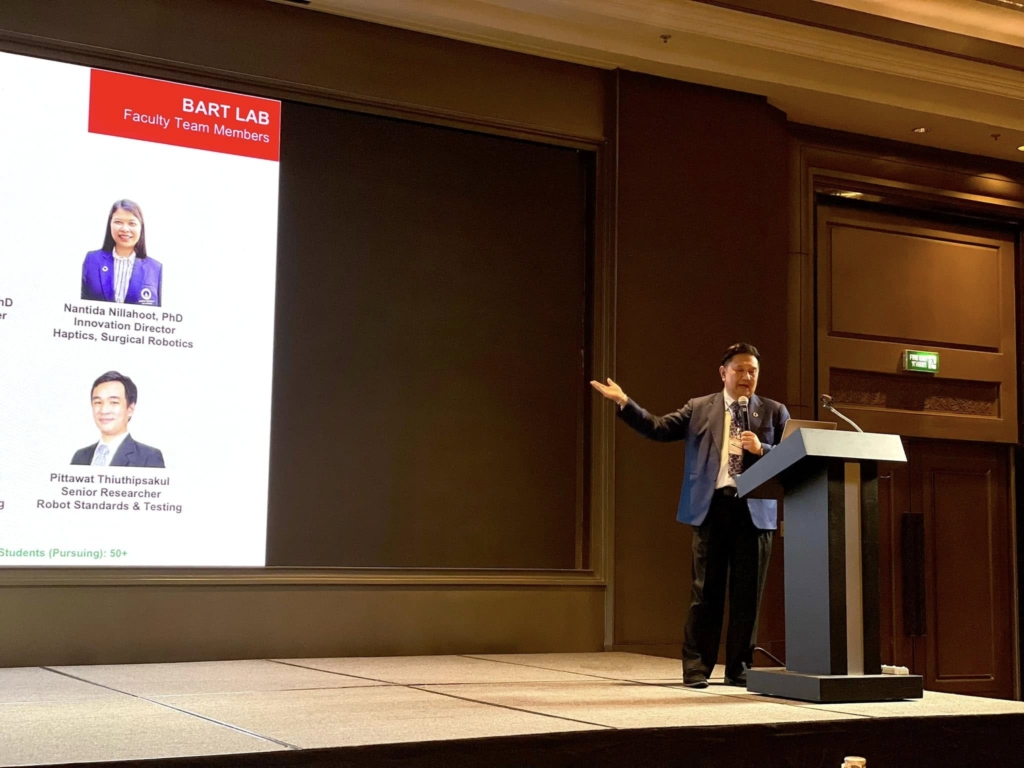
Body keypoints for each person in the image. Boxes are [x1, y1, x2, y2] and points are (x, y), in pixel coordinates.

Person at [591, 342, 789, 688]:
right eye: (740, 369)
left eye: (753, 371)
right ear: (723, 373)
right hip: (712, 508)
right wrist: (625, 402)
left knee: (747, 597)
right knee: (705, 594)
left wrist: (764, 449)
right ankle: (696, 667)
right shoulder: (699, 408)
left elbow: (791, 458)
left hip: (755, 512)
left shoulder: (773, 411)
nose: (747, 377)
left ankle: (740, 668)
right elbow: (658, 427)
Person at [71, 371, 165, 468]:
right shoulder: (80, 457)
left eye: (114, 402)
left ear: (130, 409)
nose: (104, 410)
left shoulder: (148, 457)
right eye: (98, 402)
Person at [81, 200, 163, 306]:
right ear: (110, 224)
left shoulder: (156, 269)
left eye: (132, 223)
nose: (125, 229)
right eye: (118, 222)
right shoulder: (92, 260)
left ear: (141, 228)